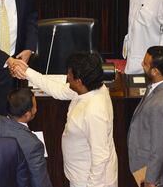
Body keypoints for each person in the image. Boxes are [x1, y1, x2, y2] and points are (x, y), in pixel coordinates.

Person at [13, 53, 118, 187]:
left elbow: (100, 157)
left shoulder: (94, 112)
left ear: (79, 81)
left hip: (91, 182)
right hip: (80, 175)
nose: (67, 78)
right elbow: (58, 90)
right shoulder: (89, 87)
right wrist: (26, 71)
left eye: (69, 75)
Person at [127, 46, 163, 187]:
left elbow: (160, 146)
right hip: (156, 164)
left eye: (145, 63)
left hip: (150, 170)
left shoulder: (161, 106)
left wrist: (150, 180)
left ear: (155, 71)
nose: (142, 64)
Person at [0, 88, 53, 187]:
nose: (36, 109)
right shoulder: (33, 145)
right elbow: (40, 181)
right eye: (35, 107)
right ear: (27, 115)